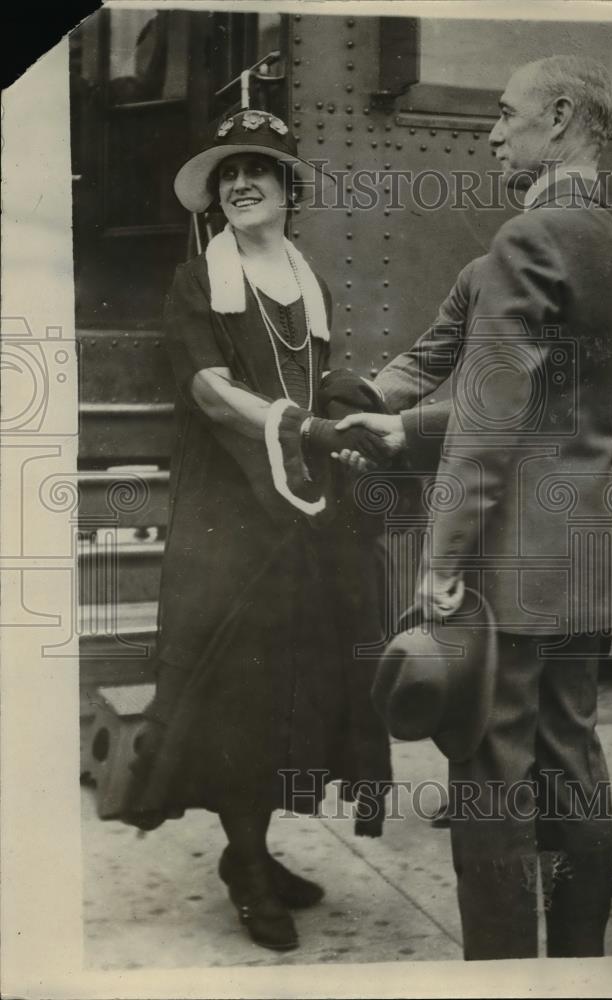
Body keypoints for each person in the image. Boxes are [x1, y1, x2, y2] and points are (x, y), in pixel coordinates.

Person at [336, 56, 612, 958]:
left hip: (508, 558)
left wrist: (439, 561)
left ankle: (503, 978)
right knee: (575, 768)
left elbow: (491, 417)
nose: (491, 130)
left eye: (506, 116)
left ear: (557, 119)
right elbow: (557, 407)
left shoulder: (523, 243)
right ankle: (582, 967)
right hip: (586, 546)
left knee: (487, 780)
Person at [120, 109, 392, 952]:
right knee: (236, 695)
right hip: (227, 515)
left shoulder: (305, 281)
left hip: (296, 507)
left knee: (292, 686)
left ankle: (258, 853)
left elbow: (315, 381)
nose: (242, 184)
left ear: (289, 190)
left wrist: (347, 420)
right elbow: (207, 390)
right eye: (229, 174)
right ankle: (243, 862)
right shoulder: (199, 280)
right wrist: (301, 430)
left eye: (260, 171)